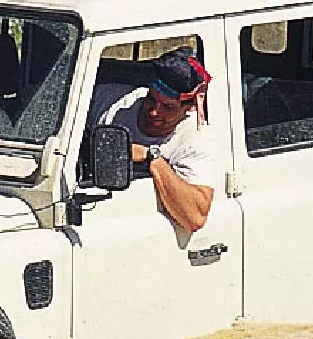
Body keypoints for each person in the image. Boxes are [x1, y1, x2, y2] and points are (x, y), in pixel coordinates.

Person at [88, 48, 223, 233]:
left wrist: (152, 158)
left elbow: (195, 217)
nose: (153, 112)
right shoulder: (111, 102)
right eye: (151, 99)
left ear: (189, 107)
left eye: (167, 107)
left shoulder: (196, 140)